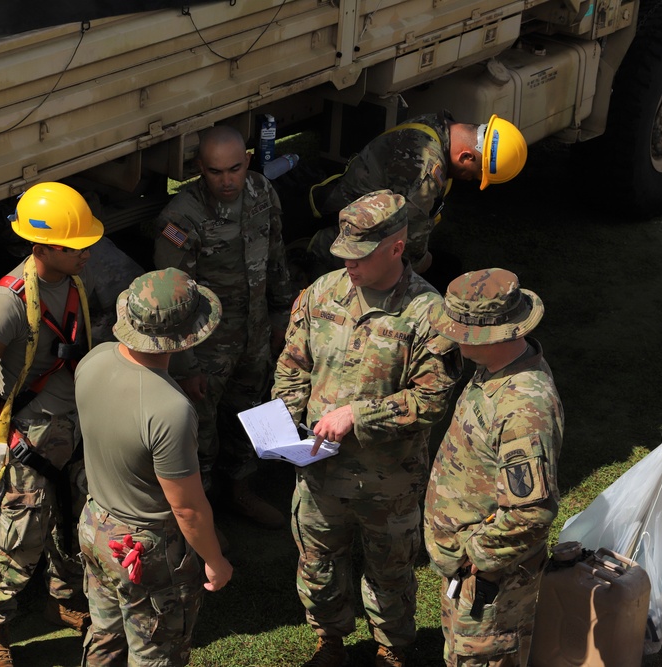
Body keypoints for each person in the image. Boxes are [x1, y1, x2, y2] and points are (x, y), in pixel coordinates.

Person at [272, 190, 462, 667]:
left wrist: (358, 415)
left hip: (388, 480)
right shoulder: (322, 293)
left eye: (359, 256)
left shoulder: (428, 314)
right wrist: (289, 421)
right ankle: (330, 641)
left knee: (390, 571)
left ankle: (391, 648)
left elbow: (431, 399)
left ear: (396, 249)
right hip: (318, 472)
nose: (348, 266)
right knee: (318, 563)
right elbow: (293, 366)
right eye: (343, 254)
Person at [0, 181, 104, 667]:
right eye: (75, 246)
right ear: (43, 246)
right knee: (17, 533)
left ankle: (62, 599)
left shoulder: (75, 280)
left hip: (77, 424)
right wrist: (6, 411)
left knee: (76, 521)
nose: (87, 253)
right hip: (32, 437)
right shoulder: (10, 301)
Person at [75, 268, 233, 666]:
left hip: (96, 525)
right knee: (157, 653)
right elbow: (188, 509)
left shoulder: (92, 360)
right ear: (185, 336)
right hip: (146, 550)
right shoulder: (170, 410)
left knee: (104, 636)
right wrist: (215, 561)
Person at [152, 124, 294, 528]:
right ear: (199, 169)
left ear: (247, 161)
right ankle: (202, 514)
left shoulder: (262, 193)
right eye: (216, 172)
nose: (228, 180)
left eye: (235, 168)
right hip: (207, 347)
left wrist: (283, 314)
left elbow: (276, 256)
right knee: (200, 433)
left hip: (254, 334)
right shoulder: (181, 218)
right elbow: (170, 302)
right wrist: (186, 366)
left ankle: (240, 491)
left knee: (249, 413)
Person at [423, 268, 564, 667]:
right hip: (471, 570)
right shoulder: (496, 370)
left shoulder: (523, 409)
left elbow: (530, 512)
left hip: (492, 580)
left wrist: (475, 559)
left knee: (482, 659)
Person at [307, 112, 527, 274]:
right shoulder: (425, 170)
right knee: (442, 272)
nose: (470, 179)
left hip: (355, 205)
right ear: (466, 157)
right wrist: (426, 266)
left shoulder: (439, 124)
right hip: (351, 233)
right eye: (474, 174)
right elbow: (411, 242)